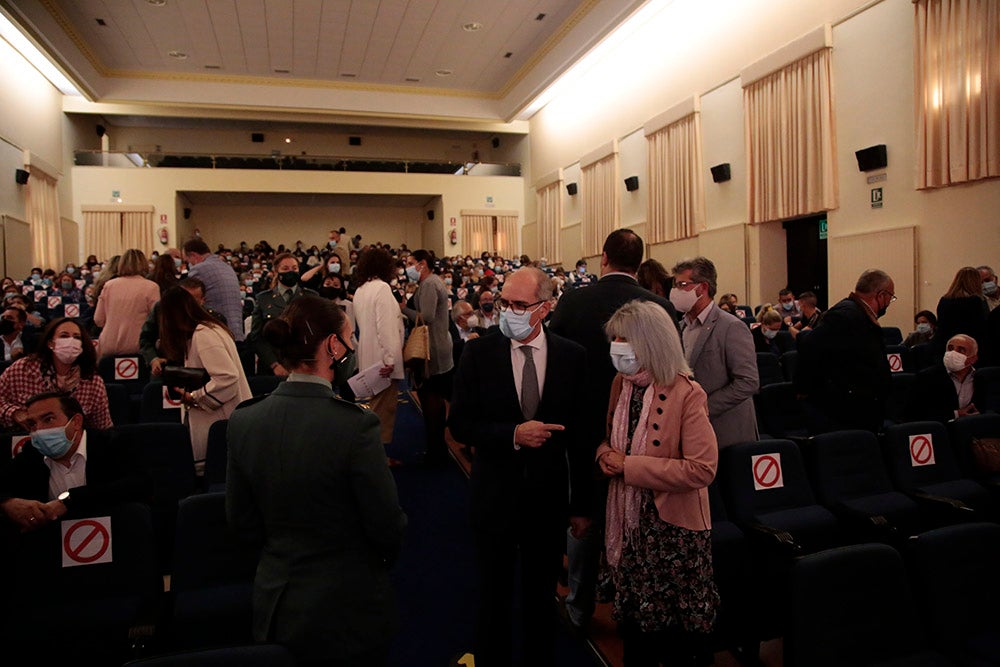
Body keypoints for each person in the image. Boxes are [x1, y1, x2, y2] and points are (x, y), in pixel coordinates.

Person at [227, 295, 406, 666]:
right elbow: (387, 524)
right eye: (349, 338)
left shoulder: (244, 421)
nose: (353, 347)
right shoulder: (355, 425)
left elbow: (241, 522)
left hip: (276, 601)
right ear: (332, 346)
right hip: (346, 608)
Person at [448, 267, 590, 667]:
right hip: (493, 497)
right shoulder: (478, 352)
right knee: (492, 598)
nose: (508, 311)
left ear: (545, 308)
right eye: (503, 303)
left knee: (540, 600)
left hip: (546, 501)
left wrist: (581, 506)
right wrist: (512, 434)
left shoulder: (571, 356)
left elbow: (580, 437)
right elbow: (459, 425)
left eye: (519, 305)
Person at [548, 228, 677, 630]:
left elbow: (553, 364)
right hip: (645, 428)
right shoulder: (660, 307)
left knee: (582, 515)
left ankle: (579, 604)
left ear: (603, 258)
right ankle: (631, 605)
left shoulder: (574, 301)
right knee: (635, 513)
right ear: (639, 262)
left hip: (582, 425)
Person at [596, 300, 719, 666]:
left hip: (671, 534)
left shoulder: (687, 393)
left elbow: (701, 469)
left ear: (650, 342)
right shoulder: (622, 384)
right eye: (615, 337)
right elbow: (610, 441)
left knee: (676, 640)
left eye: (624, 337)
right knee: (636, 632)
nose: (617, 345)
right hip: (632, 530)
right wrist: (603, 454)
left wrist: (629, 467)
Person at [0, 392, 148, 538]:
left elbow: (140, 485)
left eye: (48, 419)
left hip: (114, 538)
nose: (39, 429)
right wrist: (7, 503)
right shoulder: (31, 454)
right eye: (32, 424)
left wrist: (70, 502)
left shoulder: (112, 444)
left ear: (76, 422)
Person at [158, 286, 251, 475]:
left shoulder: (204, 335)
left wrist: (194, 396)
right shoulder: (207, 329)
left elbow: (227, 378)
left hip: (222, 419)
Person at [795, 269, 896, 434]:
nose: (890, 302)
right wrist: (804, 389)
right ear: (881, 295)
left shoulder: (857, 314)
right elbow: (809, 346)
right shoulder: (844, 315)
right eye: (891, 297)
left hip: (859, 405)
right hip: (846, 410)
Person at [671, 257, 759, 447]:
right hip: (691, 434)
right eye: (675, 285)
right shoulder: (680, 327)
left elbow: (748, 381)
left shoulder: (731, 327)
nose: (675, 291)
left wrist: (703, 407)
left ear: (702, 288)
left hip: (726, 433)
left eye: (682, 285)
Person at [0, 318, 112, 431]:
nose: (71, 341)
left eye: (77, 337)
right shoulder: (22, 368)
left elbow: (102, 429)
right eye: (64, 336)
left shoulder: (92, 381)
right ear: (50, 343)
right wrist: (13, 412)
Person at [401, 249, 454, 465]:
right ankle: (437, 448)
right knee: (432, 399)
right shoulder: (428, 283)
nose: (408, 267)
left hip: (433, 348)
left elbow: (428, 317)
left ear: (423, 264)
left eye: (411, 263)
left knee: (431, 399)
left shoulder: (430, 283)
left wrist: (404, 309)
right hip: (435, 345)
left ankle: (437, 451)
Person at [352, 247, 405, 447]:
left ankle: (374, 453)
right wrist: (390, 359)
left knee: (375, 407)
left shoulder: (360, 289)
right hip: (382, 358)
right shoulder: (381, 288)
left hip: (369, 354)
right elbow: (386, 327)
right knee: (383, 410)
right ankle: (377, 457)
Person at [248, 252, 318, 377]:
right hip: (271, 369)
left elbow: (317, 334)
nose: (290, 271)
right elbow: (256, 337)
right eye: (285, 269)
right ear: (276, 272)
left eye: (294, 268)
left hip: (303, 367)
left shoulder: (311, 297)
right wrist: (274, 364)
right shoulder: (264, 299)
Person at [140, 277, 226, 376]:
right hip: (167, 368)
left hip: (200, 372)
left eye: (192, 300)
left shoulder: (213, 321)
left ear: (203, 300)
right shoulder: (161, 310)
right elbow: (145, 339)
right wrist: (153, 359)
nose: (185, 305)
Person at [93, 248, 160, 359]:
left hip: (109, 346)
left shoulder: (109, 285)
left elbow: (98, 320)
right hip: (139, 347)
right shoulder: (151, 287)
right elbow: (156, 321)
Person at [906, 334, 982, 423]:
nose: (953, 353)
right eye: (950, 348)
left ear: (973, 358)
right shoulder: (926, 377)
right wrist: (956, 414)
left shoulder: (979, 379)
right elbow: (915, 413)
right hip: (939, 430)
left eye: (961, 350)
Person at [183, 237, 246, 341]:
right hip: (236, 331)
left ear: (194, 256)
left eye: (188, 260)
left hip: (216, 333)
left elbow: (189, 301)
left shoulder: (200, 269)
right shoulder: (226, 267)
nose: (189, 264)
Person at [934, 266, 989, 357]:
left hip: (945, 345)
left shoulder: (944, 300)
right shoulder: (976, 301)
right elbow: (982, 327)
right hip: (968, 347)